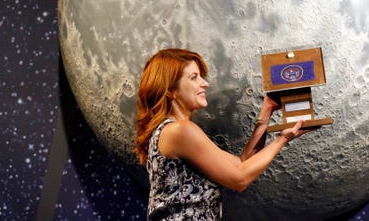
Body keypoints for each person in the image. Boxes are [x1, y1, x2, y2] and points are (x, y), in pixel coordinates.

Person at [134, 48, 312, 220]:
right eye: (194, 78)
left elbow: (241, 163)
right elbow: (240, 179)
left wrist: (266, 112)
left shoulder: (173, 130)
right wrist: (282, 139)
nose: (205, 83)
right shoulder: (180, 131)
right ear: (170, 90)